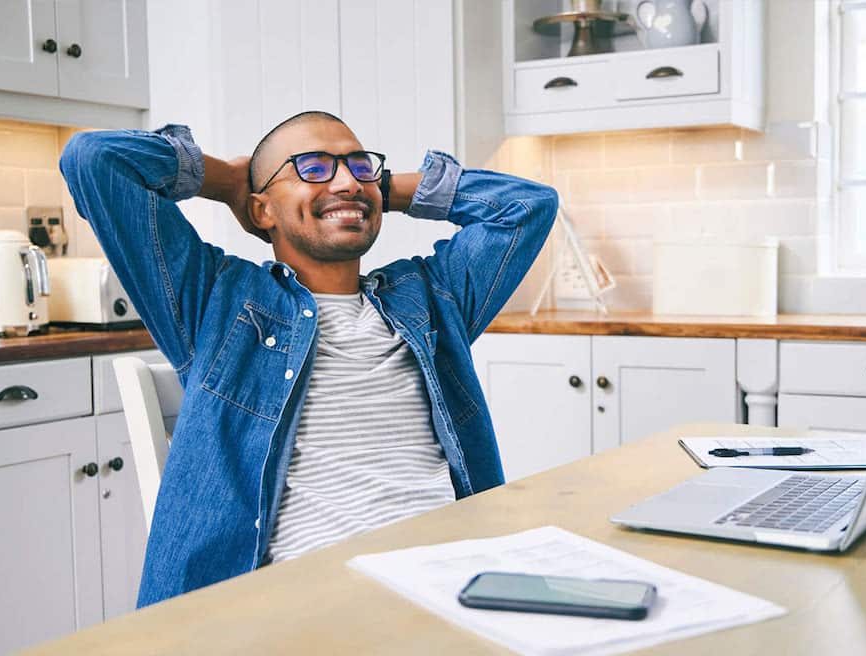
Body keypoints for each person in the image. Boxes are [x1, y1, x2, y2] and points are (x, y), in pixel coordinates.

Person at [59, 111, 558, 607]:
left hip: (452, 583)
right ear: (262, 212)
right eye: (313, 167)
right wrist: (227, 180)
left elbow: (526, 206)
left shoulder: (430, 298)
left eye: (360, 166)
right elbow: (96, 159)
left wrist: (380, 187)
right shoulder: (217, 300)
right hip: (303, 604)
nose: (346, 181)